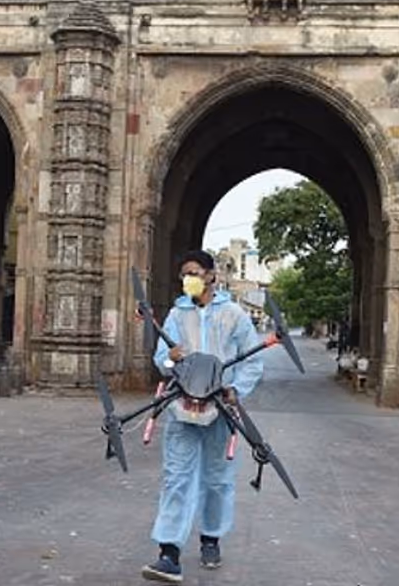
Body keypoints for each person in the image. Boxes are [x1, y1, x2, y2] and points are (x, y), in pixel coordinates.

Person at [141, 249, 265, 583]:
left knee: (217, 479)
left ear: (211, 275)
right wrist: (172, 357)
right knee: (176, 477)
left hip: (219, 409)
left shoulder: (234, 316)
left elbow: (252, 362)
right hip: (183, 406)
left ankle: (211, 537)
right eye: (184, 274)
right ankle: (169, 552)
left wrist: (236, 389)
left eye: (194, 272)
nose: (188, 280)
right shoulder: (176, 316)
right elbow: (161, 360)